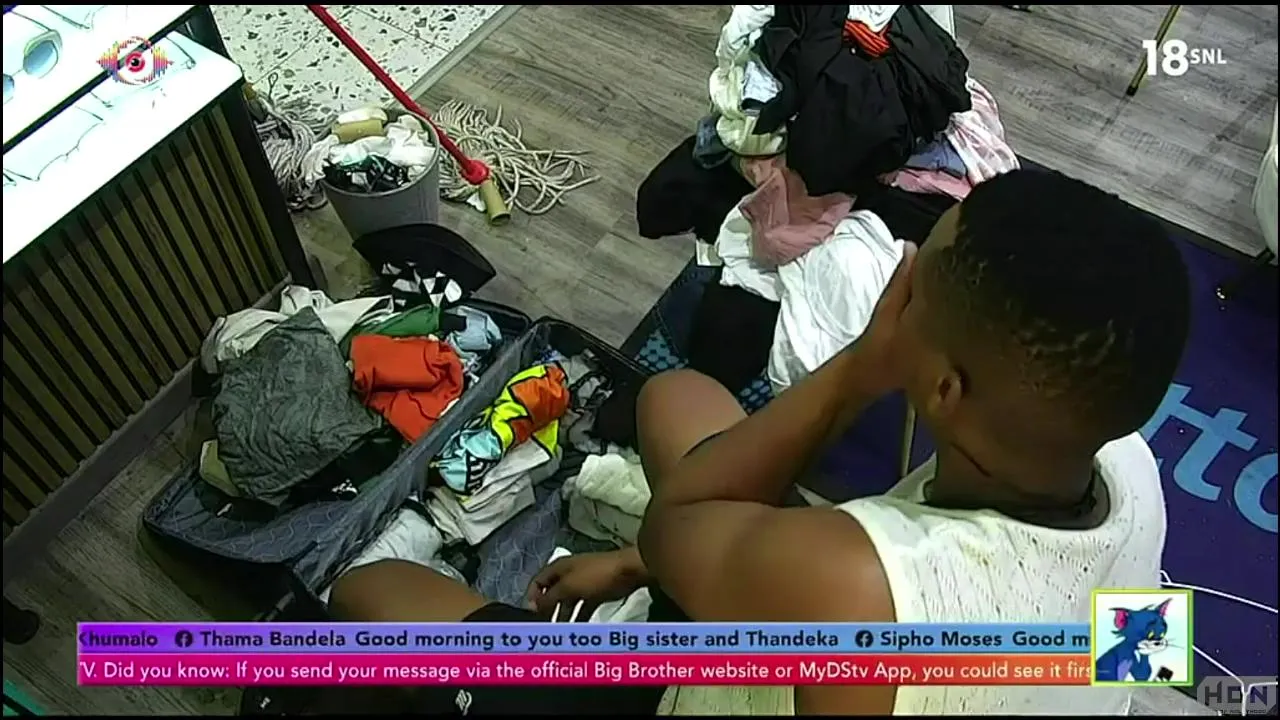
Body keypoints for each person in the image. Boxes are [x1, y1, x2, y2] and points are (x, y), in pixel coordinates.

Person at [328, 168, 1190, 715]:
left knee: (371, 594)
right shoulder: (1127, 468)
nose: (898, 281)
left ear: (944, 389)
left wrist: (860, 367)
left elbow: (672, 531)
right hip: (855, 640)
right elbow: (1133, 663)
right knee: (678, 399)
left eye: (915, 283)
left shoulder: (858, 585)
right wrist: (639, 567)